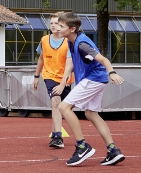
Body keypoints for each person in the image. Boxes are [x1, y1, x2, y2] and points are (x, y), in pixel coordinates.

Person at [53, 12, 126, 166]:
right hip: (97, 79)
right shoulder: (71, 41)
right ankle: (113, 150)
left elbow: (103, 59)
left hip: (94, 79)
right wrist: (68, 72)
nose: (57, 28)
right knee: (91, 113)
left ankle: (82, 146)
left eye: (61, 26)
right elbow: (75, 60)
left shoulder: (82, 44)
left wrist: (112, 72)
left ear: (72, 29)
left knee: (64, 107)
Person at [32, 12, 74, 148]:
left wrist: (63, 83)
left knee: (63, 107)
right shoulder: (44, 40)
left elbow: (70, 63)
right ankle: (57, 137)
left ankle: (55, 132)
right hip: (49, 76)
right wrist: (36, 76)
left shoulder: (69, 41)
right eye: (52, 23)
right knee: (56, 101)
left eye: (57, 23)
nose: (54, 26)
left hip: (66, 77)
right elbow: (41, 59)